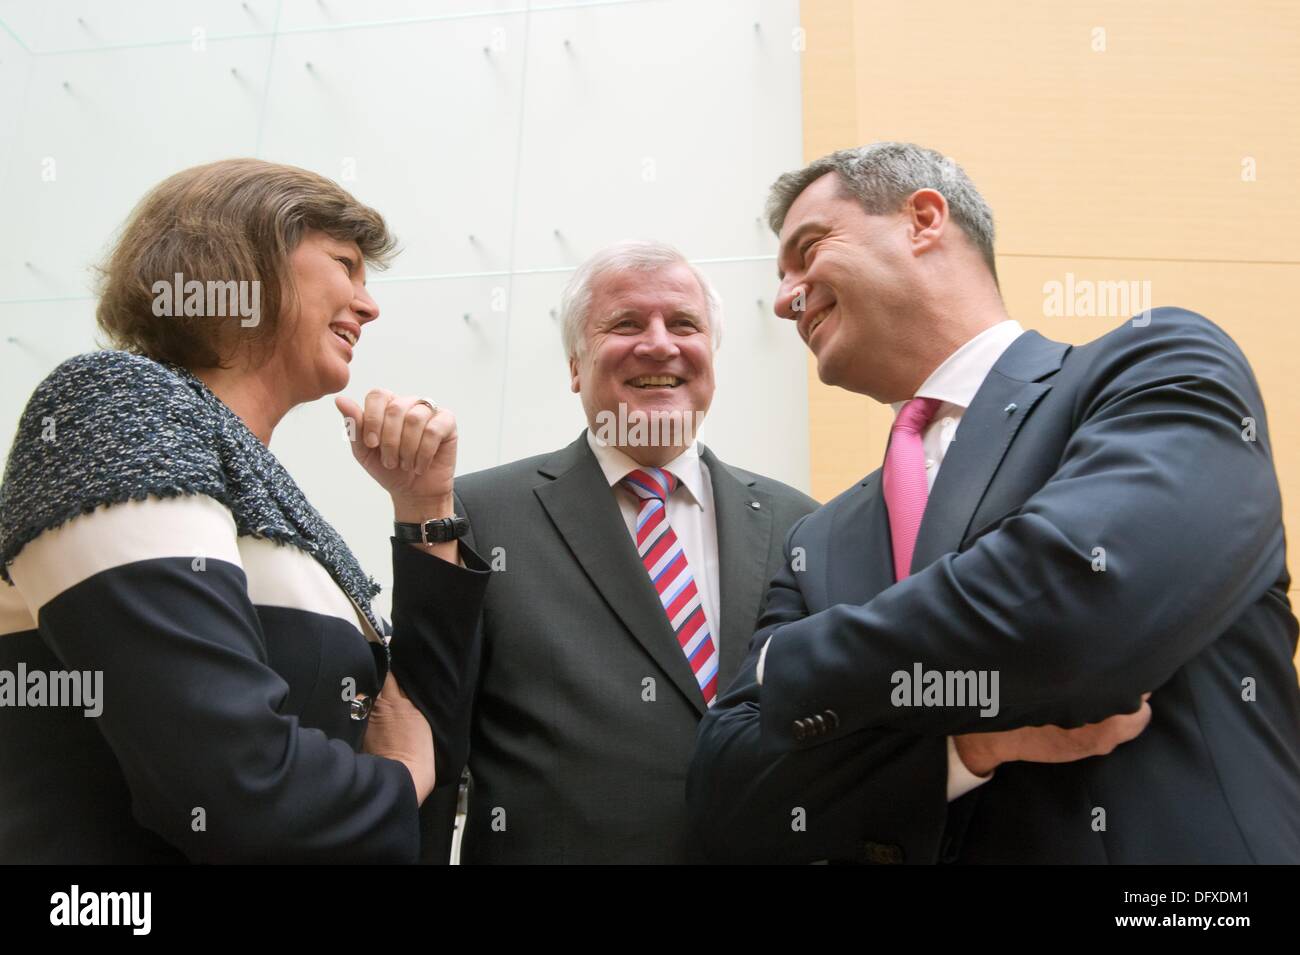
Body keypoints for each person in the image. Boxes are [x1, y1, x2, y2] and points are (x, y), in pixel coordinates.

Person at [688, 142, 1300, 864]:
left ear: (922, 218)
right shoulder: (814, 540)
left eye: (808, 249)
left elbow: (1079, 614)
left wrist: (784, 664)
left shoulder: (1158, 367)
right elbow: (728, 790)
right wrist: (971, 743)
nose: (786, 298)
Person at [0, 158, 490, 863]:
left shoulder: (272, 494)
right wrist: (396, 778)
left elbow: (421, 727)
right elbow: (236, 787)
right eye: (346, 265)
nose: (369, 303)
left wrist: (426, 507)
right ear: (245, 259)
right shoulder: (118, 402)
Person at [419, 241, 819, 863]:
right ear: (575, 364)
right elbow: (434, 734)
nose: (660, 345)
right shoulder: (478, 516)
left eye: (684, 324)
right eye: (626, 323)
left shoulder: (800, 523)